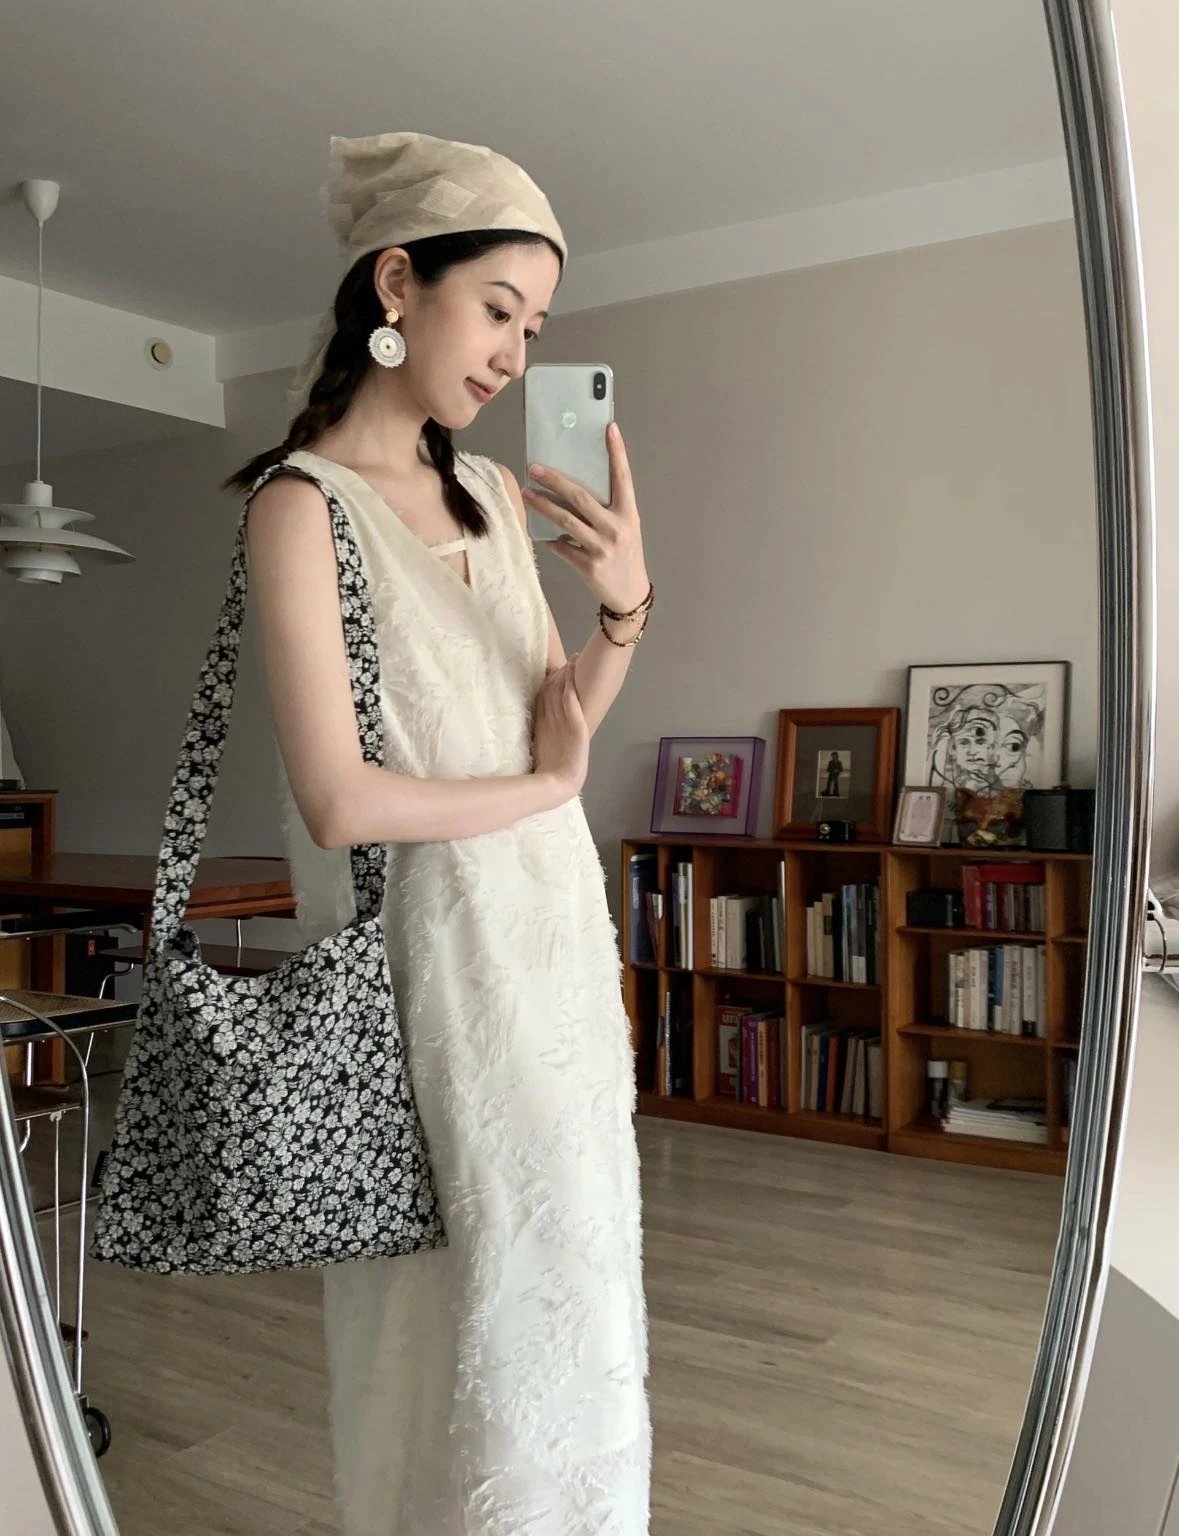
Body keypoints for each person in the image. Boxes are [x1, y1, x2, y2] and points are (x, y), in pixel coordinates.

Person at [225, 132, 652, 1536]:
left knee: (575, 1287)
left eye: (537, 328)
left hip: (554, 950)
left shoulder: (491, 499)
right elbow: (340, 801)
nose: (517, 354)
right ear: (398, 282)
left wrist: (624, 608)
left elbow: (554, 730)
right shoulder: (300, 507)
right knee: (450, 1313)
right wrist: (541, 793)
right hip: (430, 970)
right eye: (498, 311)